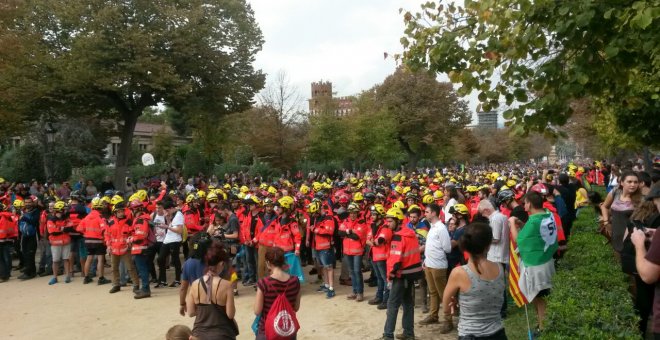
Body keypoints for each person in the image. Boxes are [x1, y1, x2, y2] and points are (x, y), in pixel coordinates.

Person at [442, 222, 507, 340]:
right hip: (498, 333)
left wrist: (456, 305)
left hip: (470, 335)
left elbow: (446, 308)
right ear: (488, 245)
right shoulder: (500, 268)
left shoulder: (459, 273)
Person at [509, 192, 558, 331]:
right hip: (546, 260)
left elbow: (518, 240)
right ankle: (541, 323)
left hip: (537, 266)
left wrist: (513, 223)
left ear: (529, 204)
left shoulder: (534, 220)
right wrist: (522, 224)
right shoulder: (547, 214)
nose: (524, 205)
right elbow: (536, 233)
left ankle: (543, 328)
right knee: (539, 297)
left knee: (540, 298)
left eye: (525, 202)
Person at [380, 207, 422, 340]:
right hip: (411, 274)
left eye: (390, 221)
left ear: (398, 221)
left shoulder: (398, 237)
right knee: (408, 304)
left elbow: (395, 261)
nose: (387, 223)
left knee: (392, 305)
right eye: (387, 221)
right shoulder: (409, 232)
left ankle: (388, 335)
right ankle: (409, 333)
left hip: (400, 275)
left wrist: (389, 277)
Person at [186, 241, 238, 340]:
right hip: (222, 334)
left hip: (199, 334)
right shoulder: (227, 285)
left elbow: (191, 312)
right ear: (222, 263)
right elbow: (230, 314)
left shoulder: (195, 284)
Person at [254, 247, 301, 340]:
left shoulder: (264, 283)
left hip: (268, 331)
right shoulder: (295, 281)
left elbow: (257, 311)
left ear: (268, 263)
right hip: (288, 331)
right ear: (283, 261)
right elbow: (296, 307)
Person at [419, 203, 452, 330]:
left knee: (444, 294)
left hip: (438, 266)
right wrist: (426, 260)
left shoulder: (441, 228)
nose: (425, 214)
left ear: (433, 213)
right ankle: (433, 315)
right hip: (429, 264)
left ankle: (448, 320)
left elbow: (447, 248)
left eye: (427, 212)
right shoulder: (432, 227)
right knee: (432, 292)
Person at [478, 199, 510, 317]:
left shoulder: (496, 219)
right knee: (498, 283)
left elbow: (495, 238)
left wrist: (482, 238)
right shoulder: (501, 217)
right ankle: (501, 308)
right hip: (499, 255)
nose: (482, 215)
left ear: (486, 210)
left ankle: (501, 310)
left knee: (497, 284)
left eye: (482, 213)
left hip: (497, 256)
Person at [601, 172, 642, 253]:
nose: (633, 185)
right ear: (622, 183)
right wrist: (606, 222)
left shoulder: (641, 199)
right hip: (615, 231)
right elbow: (604, 206)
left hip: (632, 237)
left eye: (635, 182)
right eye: (629, 182)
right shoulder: (615, 192)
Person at [105, 202, 140, 294]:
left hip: (125, 249)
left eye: (122, 211)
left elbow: (133, 233)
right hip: (114, 249)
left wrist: (130, 242)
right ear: (115, 213)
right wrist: (108, 245)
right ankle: (116, 285)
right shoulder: (111, 222)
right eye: (119, 212)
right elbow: (107, 235)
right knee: (114, 268)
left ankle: (136, 285)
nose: (121, 213)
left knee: (130, 268)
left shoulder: (129, 222)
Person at [339, 202, 368, 301]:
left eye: (354, 213)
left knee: (357, 272)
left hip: (357, 252)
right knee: (352, 272)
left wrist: (346, 232)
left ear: (357, 213)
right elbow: (339, 233)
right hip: (347, 251)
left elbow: (356, 237)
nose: (352, 214)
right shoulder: (345, 221)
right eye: (351, 212)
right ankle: (354, 291)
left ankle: (360, 292)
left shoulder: (361, 223)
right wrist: (350, 231)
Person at [78, 197, 110, 285]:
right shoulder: (101, 217)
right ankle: (101, 278)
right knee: (100, 259)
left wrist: (87, 233)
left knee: (89, 258)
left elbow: (79, 228)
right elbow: (105, 230)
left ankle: (86, 277)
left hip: (88, 240)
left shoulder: (86, 217)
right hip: (99, 241)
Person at [129, 199, 153, 299]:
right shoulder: (142, 218)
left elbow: (140, 235)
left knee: (142, 269)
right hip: (142, 247)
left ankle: (145, 289)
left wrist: (130, 239)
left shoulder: (140, 219)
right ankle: (145, 288)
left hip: (140, 248)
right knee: (143, 269)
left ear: (135, 209)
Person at [366, 204, 390, 308]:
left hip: (382, 257)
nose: (372, 216)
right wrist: (372, 242)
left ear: (380, 215)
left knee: (385, 280)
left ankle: (386, 300)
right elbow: (367, 239)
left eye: (374, 214)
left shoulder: (385, 227)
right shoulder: (373, 226)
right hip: (374, 256)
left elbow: (380, 241)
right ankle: (379, 297)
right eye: (371, 214)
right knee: (379, 279)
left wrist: (373, 242)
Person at [158, 199, 184, 288]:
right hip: (168, 239)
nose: (166, 212)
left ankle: (177, 280)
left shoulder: (179, 215)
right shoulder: (172, 214)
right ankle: (163, 280)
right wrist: (167, 218)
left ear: (172, 208)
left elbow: (179, 230)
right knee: (160, 258)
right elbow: (171, 225)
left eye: (167, 210)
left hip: (175, 240)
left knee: (175, 259)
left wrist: (166, 227)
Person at [46, 201, 72, 285]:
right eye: (64, 209)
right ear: (60, 210)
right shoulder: (51, 219)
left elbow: (70, 227)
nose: (66, 210)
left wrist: (60, 228)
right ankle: (55, 277)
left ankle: (67, 276)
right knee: (55, 261)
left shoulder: (66, 218)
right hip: (55, 243)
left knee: (66, 259)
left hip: (66, 242)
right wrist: (63, 229)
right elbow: (52, 231)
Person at [17, 196, 40, 280]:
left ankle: (28, 273)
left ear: (32, 203)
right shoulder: (22, 211)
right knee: (25, 253)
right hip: (24, 235)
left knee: (30, 254)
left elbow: (34, 222)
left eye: (29, 202)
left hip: (33, 235)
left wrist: (24, 217)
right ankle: (31, 271)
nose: (27, 204)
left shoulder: (36, 211)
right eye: (26, 202)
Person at [0, 202, 17, 282]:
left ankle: (3, 276)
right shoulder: (7, 216)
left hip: (2, 241)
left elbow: (2, 231)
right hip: (8, 239)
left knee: (2, 259)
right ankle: (6, 274)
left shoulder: (2, 217)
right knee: (6, 258)